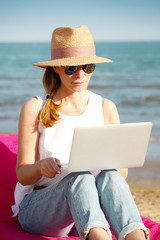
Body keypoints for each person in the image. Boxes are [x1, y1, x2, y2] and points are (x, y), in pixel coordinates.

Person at [12, 25, 150, 240]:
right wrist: (40, 167)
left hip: (89, 206)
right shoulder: (35, 107)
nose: (80, 74)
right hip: (40, 210)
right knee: (80, 178)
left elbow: (121, 175)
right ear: (56, 69)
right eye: (71, 68)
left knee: (111, 175)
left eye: (87, 67)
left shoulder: (105, 107)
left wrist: (102, 162)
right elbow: (22, 174)